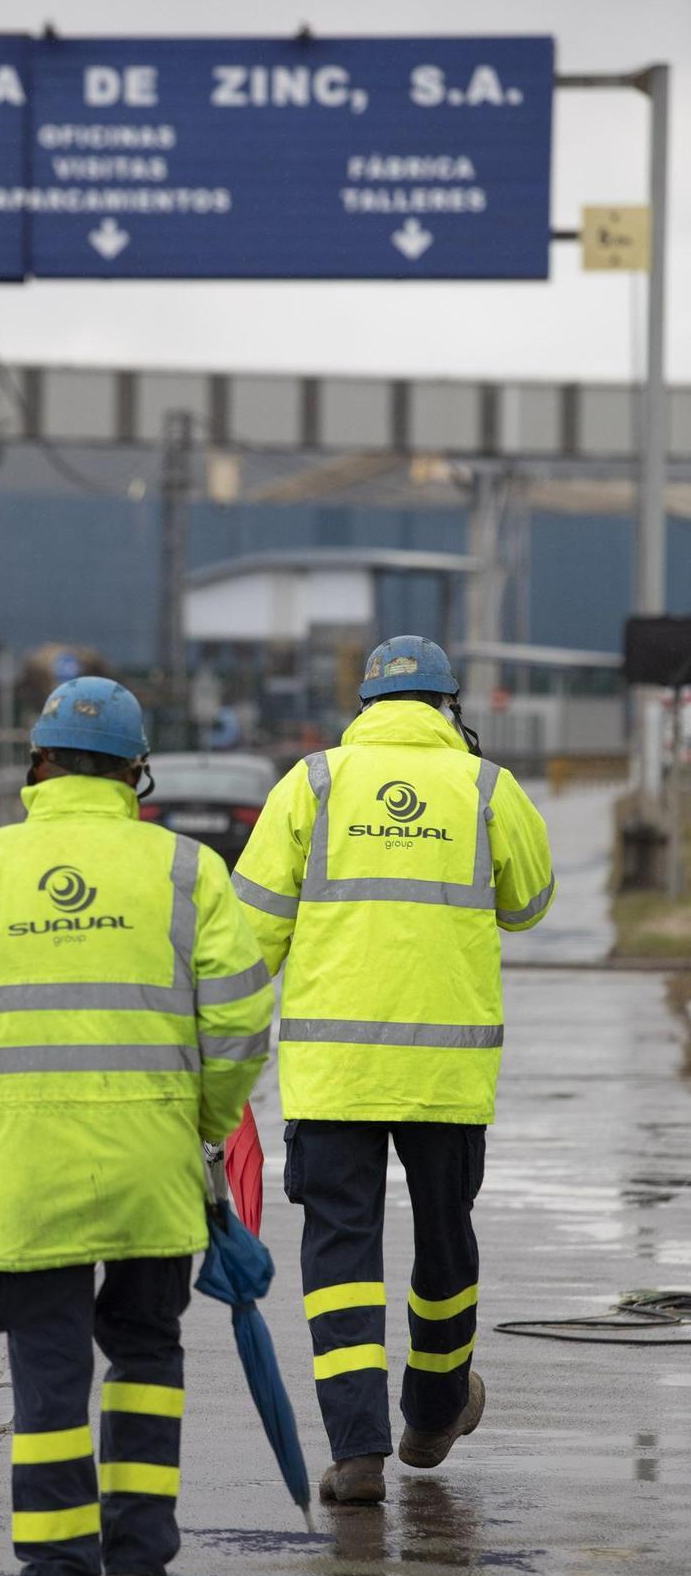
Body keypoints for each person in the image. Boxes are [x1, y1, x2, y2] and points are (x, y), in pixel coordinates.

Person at [0, 676, 273, 1576]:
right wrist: (202, 1120)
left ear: (39, 764)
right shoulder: (189, 872)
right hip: (151, 1166)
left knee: (48, 1383)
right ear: (136, 774)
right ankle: (140, 1564)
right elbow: (237, 1021)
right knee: (146, 1358)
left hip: (29, 1174)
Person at [231, 636, 554, 1506]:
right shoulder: (486, 786)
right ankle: (437, 1409)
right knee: (445, 1243)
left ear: (366, 706)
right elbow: (528, 906)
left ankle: (357, 1452)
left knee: (341, 1254)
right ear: (450, 706)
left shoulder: (313, 783)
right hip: (446, 1079)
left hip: (334, 1076)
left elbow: (247, 935)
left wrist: (214, 1053)